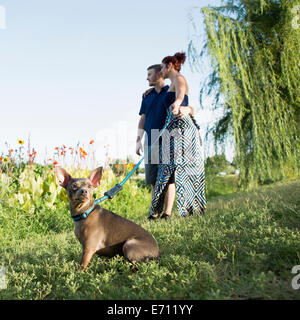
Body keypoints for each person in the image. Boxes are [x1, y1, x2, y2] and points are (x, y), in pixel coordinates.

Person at [148, 52, 206, 218]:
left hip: (181, 129)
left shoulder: (179, 79)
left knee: (183, 169)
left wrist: (178, 103)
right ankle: (155, 212)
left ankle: (190, 209)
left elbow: (181, 94)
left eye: (163, 67)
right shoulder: (170, 83)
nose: (162, 71)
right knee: (164, 170)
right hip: (171, 129)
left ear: (169, 66)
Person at [136, 64, 194, 219]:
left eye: (150, 74)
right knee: (154, 178)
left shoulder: (171, 91)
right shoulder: (147, 96)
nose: (147, 77)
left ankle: (167, 213)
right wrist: (138, 140)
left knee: (168, 178)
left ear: (159, 75)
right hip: (151, 138)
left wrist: (187, 109)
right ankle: (155, 211)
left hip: (169, 137)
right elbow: (143, 119)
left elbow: (186, 105)